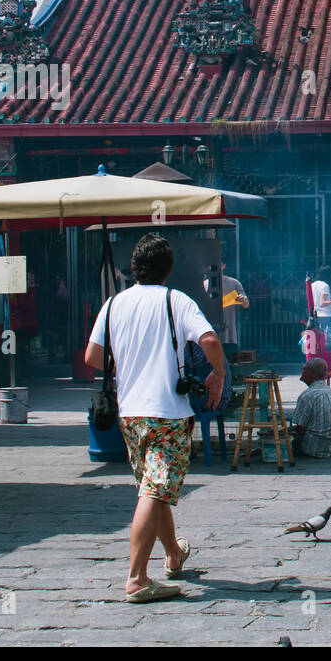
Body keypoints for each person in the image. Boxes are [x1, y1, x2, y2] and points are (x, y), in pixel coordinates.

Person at [84, 234, 225, 604]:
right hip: (168, 414)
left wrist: (128, 362)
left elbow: (93, 357)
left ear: (134, 268)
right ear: (169, 269)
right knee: (154, 490)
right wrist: (219, 375)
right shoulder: (175, 300)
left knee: (154, 487)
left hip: (130, 414)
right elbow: (209, 340)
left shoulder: (113, 304)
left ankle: (174, 555)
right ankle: (136, 578)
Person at [289, 357, 331, 458]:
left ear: (311, 373)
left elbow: (301, 429)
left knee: (286, 441)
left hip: (316, 448)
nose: (302, 371)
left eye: (304, 369)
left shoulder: (307, 395)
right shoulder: (330, 392)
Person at [309, 267, 331, 346]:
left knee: (317, 343)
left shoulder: (312, 285)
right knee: (327, 343)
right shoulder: (324, 286)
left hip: (315, 317)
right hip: (325, 317)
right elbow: (322, 303)